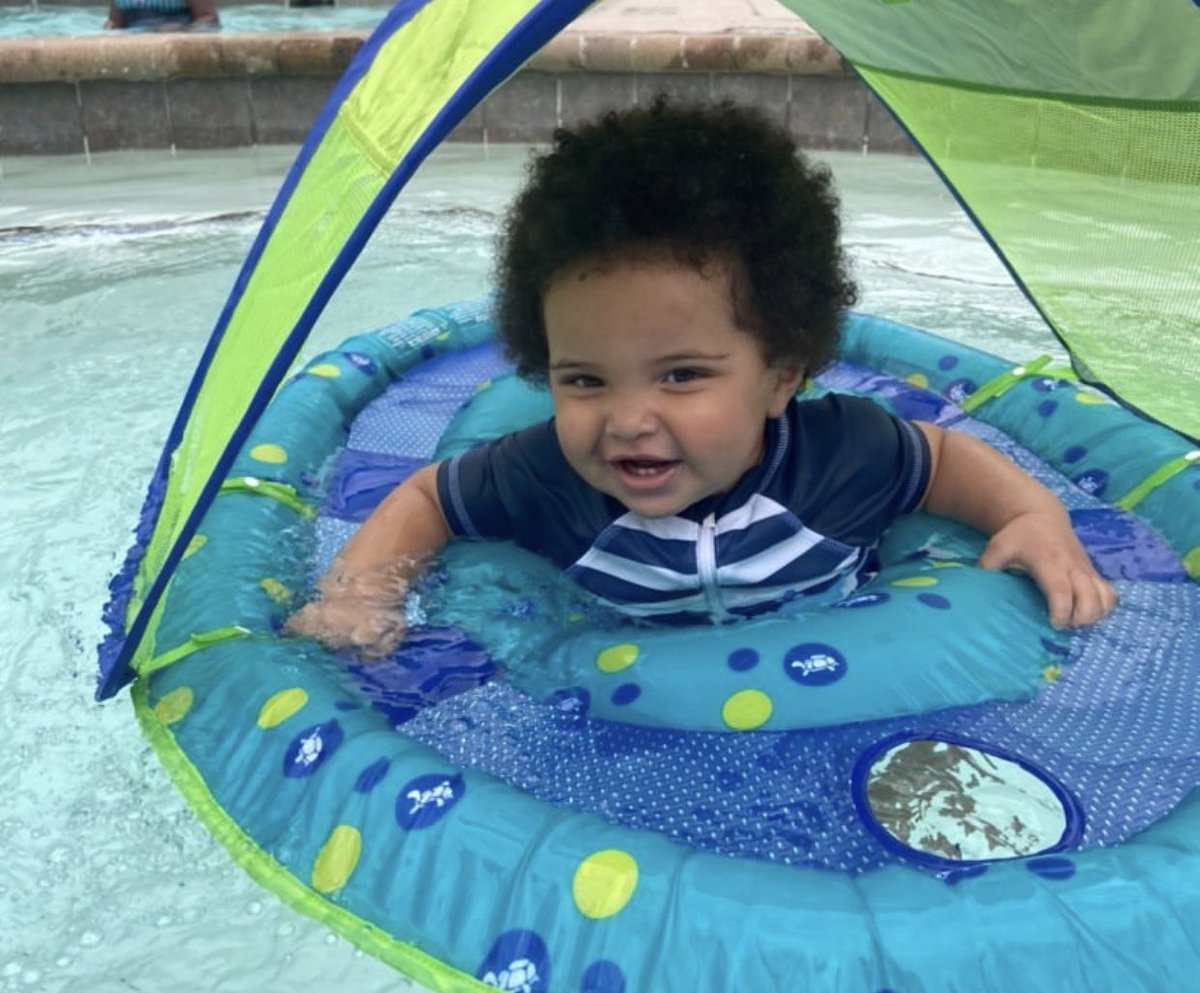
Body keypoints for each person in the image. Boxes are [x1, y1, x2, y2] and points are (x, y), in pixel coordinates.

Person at [286, 98, 1116, 658]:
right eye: (584, 381)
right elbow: (428, 497)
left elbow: (941, 459)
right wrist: (363, 595)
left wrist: (1035, 514)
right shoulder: (544, 476)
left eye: (681, 375)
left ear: (782, 372)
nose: (627, 420)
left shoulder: (842, 457)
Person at [104, 0, 219, 31]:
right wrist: (110, 27)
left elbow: (209, 20)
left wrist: (185, 30)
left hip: (175, 46)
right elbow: (115, 23)